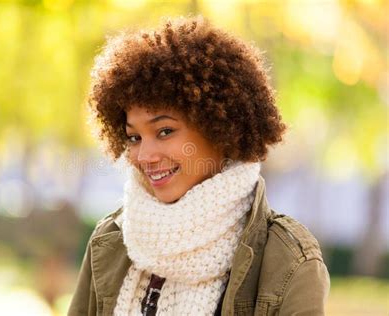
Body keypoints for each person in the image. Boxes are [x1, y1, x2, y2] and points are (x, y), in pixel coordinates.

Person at [68, 15, 330, 316]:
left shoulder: (288, 259)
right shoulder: (110, 241)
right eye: (134, 137)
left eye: (165, 131)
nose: (144, 155)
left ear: (220, 129)